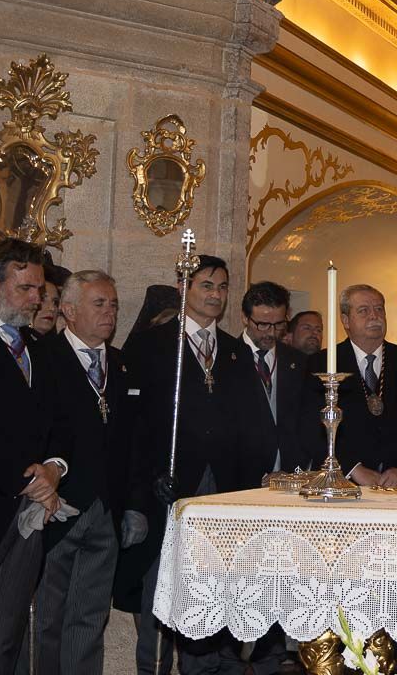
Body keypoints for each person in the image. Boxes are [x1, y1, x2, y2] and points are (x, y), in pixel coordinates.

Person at [117, 254, 267, 675]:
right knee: (160, 587)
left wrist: (244, 487)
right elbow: (137, 425)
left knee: (209, 587)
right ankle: (155, 666)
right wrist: (147, 480)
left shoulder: (236, 352)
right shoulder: (152, 345)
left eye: (222, 287)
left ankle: (201, 669)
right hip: (166, 485)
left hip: (220, 488)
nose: (216, 295)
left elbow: (252, 425)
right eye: (206, 286)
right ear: (184, 287)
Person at [23, 270, 136, 675]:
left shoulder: (122, 365)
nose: (110, 312)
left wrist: (132, 506)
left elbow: (132, 442)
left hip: (106, 508)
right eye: (99, 304)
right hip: (60, 507)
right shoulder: (43, 358)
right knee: (47, 617)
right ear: (69, 310)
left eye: (114, 305)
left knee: (90, 616)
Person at [0, 239, 68, 673]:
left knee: (4, 636)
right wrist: (27, 478)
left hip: (30, 514)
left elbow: (58, 423)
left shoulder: (37, 347)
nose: (37, 299)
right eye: (26, 288)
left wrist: (53, 469)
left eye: (40, 289)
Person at [305, 285, 397, 488]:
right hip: (345, 483)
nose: (374, 316)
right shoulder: (322, 363)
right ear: (346, 320)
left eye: (379, 309)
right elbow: (311, 427)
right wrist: (353, 469)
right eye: (363, 310)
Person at [241, 281, 323, 476]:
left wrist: (297, 470)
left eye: (278, 324)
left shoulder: (300, 363)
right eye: (262, 324)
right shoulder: (227, 358)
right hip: (244, 481)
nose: (271, 332)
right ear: (245, 318)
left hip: (292, 477)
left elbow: (308, 424)